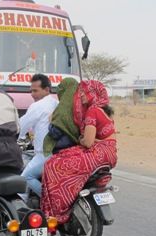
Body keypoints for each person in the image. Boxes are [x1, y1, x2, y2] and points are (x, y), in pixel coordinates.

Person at [41, 80, 118, 224]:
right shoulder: (104, 110)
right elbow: (103, 138)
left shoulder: (92, 111)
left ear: (93, 94)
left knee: (53, 165)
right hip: (109, 153)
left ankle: (60, 210)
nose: (81, 95)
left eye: (84, 92)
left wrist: (81, 139)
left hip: (98, 154)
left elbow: (87, 142)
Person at [18, 74, 58, 200]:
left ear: (47, 90)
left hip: (44, 153)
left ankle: (50, 202)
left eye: (35, 90)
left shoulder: (37, 106)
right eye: (31, 90)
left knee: (25, 178)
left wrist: (12, 138)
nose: (32, 94)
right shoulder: (57, 103)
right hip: (58, 152)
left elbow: (20, 126)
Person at [42, 77, 80, 156]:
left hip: (62, 150)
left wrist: (51, 122)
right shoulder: (81, 106)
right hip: (76, 149)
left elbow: (56, 133)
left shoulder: (63, 108)